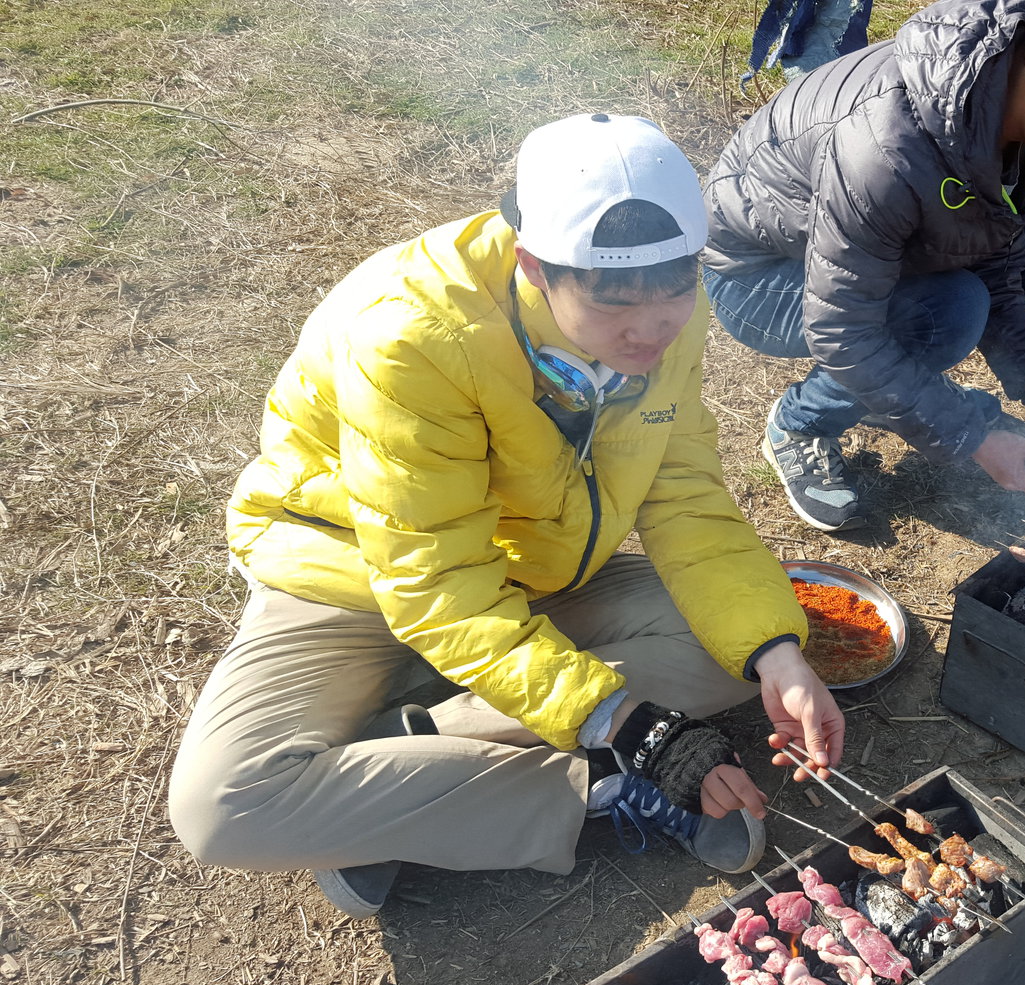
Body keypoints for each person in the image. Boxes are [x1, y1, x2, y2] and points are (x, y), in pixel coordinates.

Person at [167, 114, 845, 919]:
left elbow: (685, 492)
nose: (653, 326)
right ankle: (593, 786)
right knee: (223, 808)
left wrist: (776, 654)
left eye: (675, 288)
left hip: (533, 570)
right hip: (355, 576)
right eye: (616, 301)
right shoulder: (415, 336)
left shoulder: (667, 314)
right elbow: (438, 585)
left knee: (734, 650)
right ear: (534, 265)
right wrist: (631, 729)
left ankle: (406, 759)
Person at [701, 0, 1025, 532]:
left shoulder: (1014, 100)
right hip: (757, 273)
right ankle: (800, 423)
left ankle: (891, 393)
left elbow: (989, 249)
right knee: (950, 311)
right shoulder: (885, 149)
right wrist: (974, 437)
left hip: (856, 251)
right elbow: (842, 329)